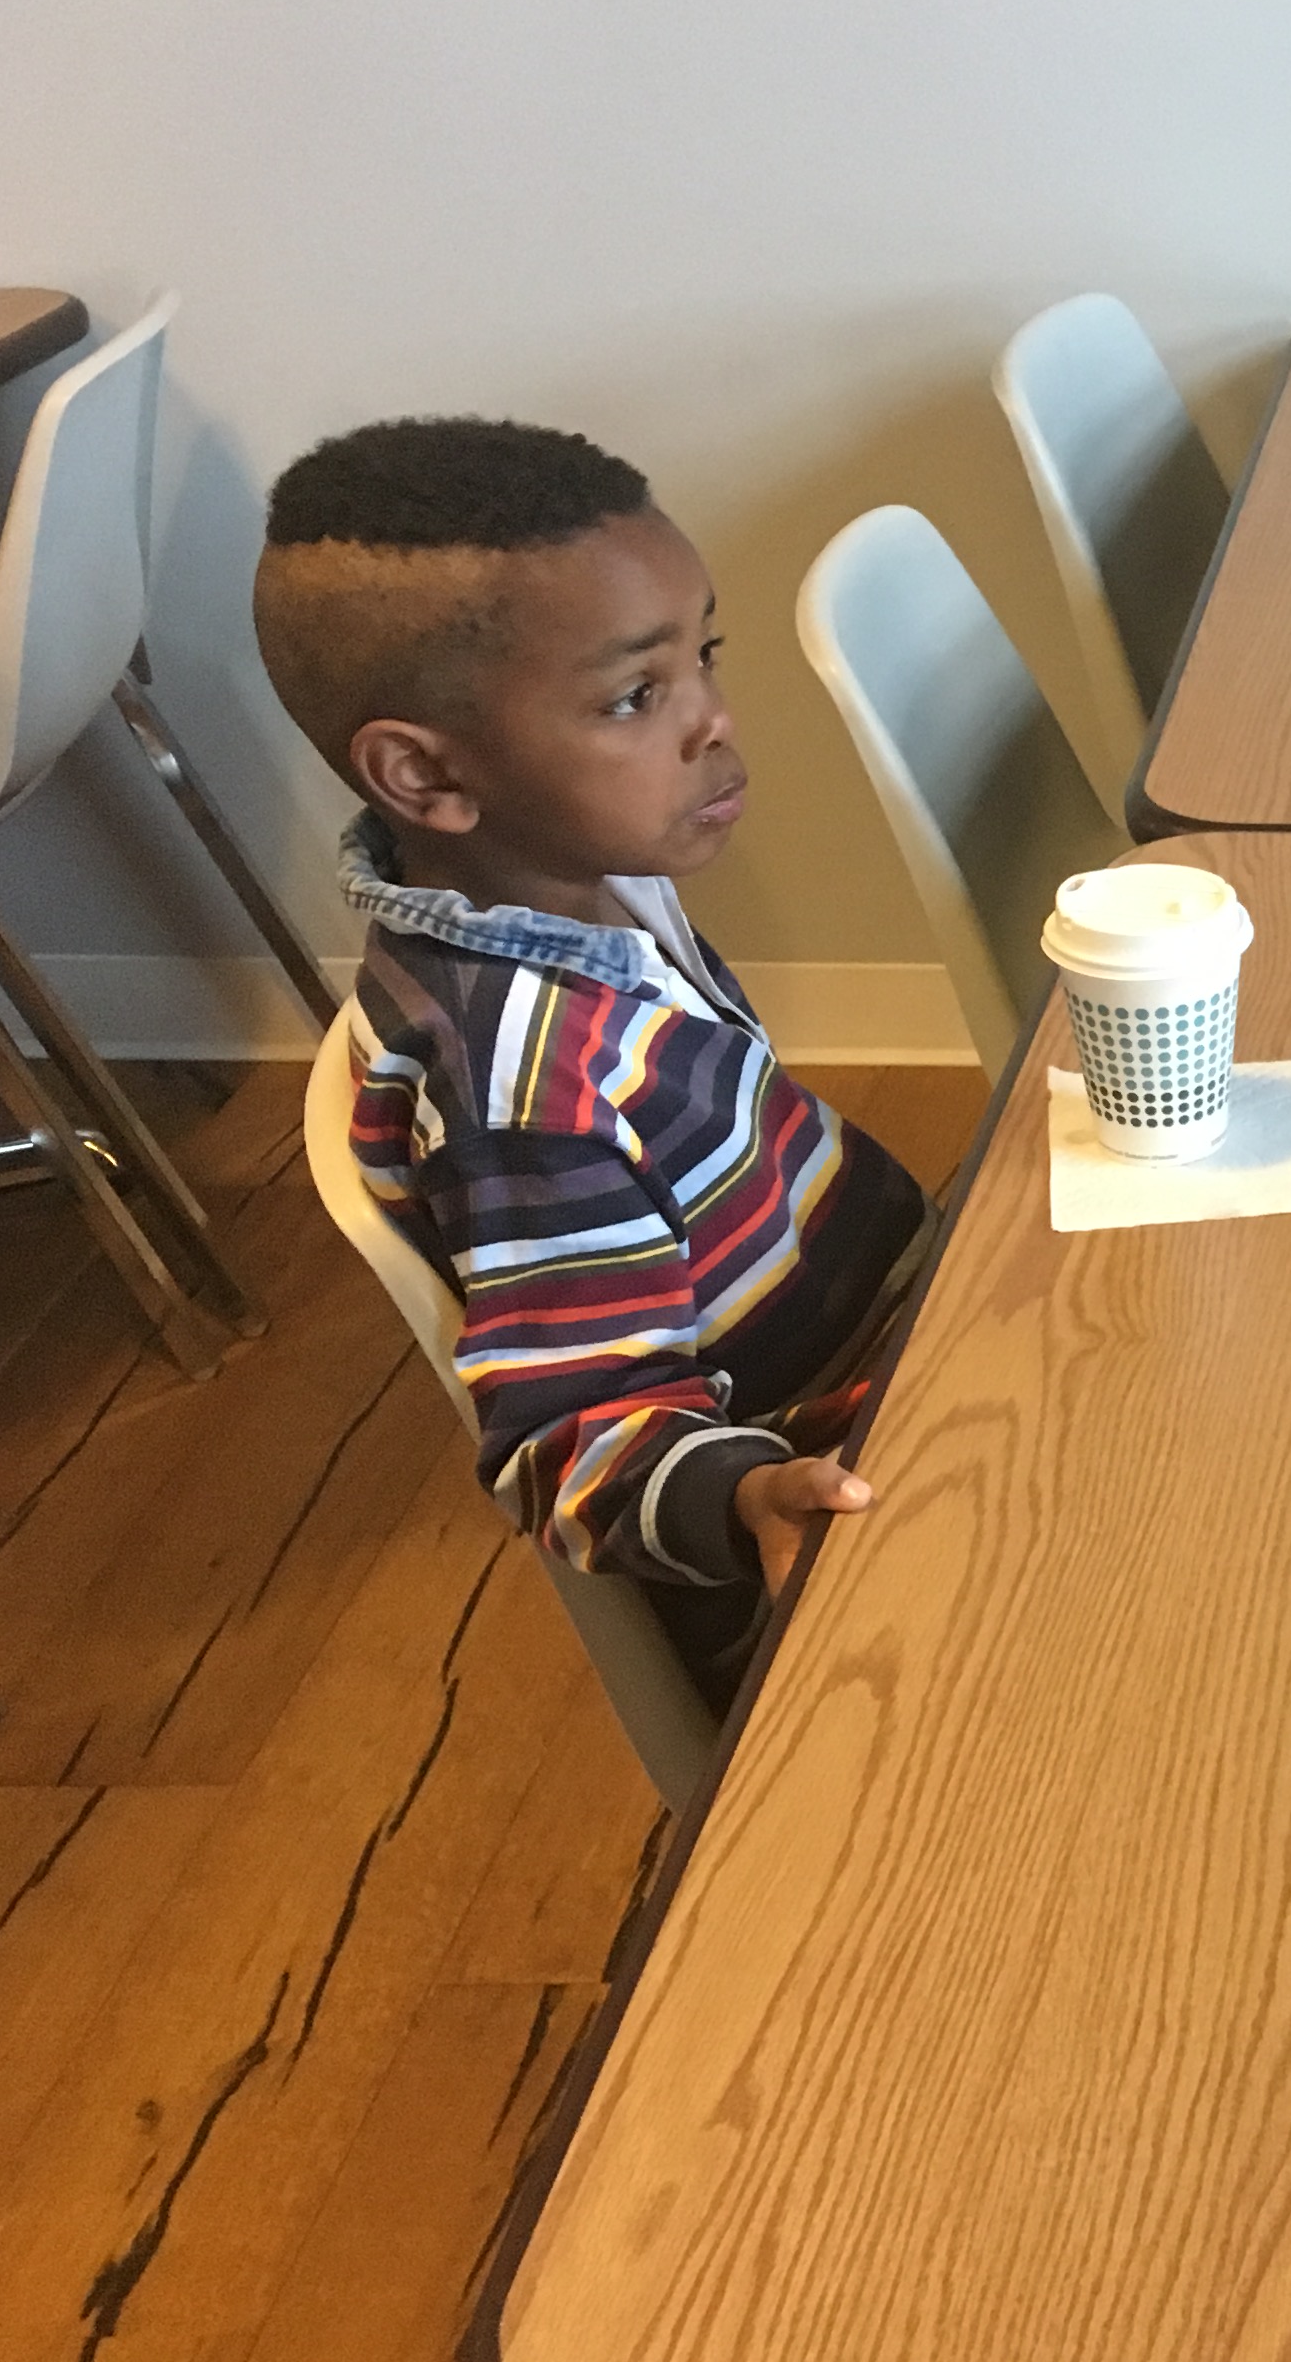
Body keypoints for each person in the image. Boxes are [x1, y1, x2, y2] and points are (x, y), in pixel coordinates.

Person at [255, 418, 931, 1702]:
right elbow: (574, 1437)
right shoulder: (526, 1094)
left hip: (905, 1339)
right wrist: (751, 1494)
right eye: (635, 697)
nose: (713, 720)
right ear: (425, 775)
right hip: (834, 1509)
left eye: (701, 658)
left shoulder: (587, 891)